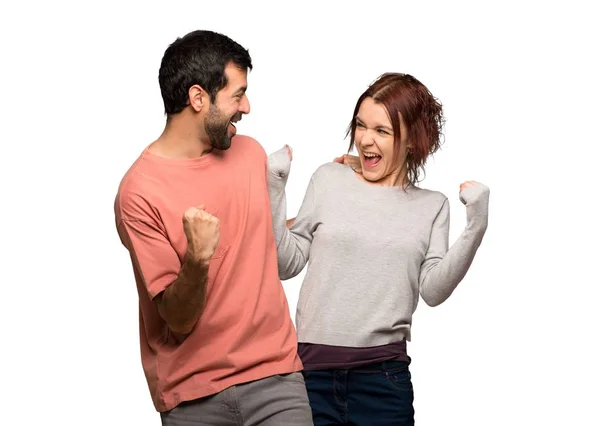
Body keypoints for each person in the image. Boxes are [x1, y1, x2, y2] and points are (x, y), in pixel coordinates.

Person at [114, 30, 313, 425]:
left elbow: (265, 240)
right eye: (237, 95)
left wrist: (336, 198)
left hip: (276, 380)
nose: (247, 106)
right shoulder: (138, 193)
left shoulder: (249, 154)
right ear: (198, 98)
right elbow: (178, 317)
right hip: (192, 397)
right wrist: (198, 257)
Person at [267, 72, 490, 425]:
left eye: (382, 131)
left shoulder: (432, 206)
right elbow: (286, 264)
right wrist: (275, 186)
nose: (365, 140)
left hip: (383, 381)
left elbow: (433, 291)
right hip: (310, 375)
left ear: (413, 141)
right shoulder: (329, 178)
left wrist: (476, 226)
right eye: (360, 125)